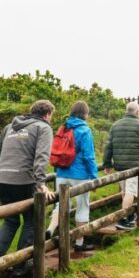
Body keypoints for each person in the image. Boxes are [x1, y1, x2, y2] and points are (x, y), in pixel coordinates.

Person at [0, 99, 56, 275]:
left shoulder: (9, 127)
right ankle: (21, 265)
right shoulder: (43, 128)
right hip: (24, 182)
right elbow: (41, 157)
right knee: (32, 221)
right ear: (47, 114)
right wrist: (41, 183)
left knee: (11, 220)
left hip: (2, 180)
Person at [46, 101, 99, 251]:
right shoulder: (84, 130)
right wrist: (94, 177)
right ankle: (79, 243)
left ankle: (50, 229)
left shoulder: (63, 127)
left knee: (61, 205)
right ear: (85, 114)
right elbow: (89, 156)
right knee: (82, 207)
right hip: (80, 175)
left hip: (61, 173)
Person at [103, 101, 139, 230]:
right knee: (130, 191)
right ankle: (123, 219)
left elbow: (108, 146)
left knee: (125, 191)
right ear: (137, 112)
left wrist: (107, 163)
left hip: (120, 165)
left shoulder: (115, 125)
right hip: (135, 166)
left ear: (127, 111)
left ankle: (129, 216)